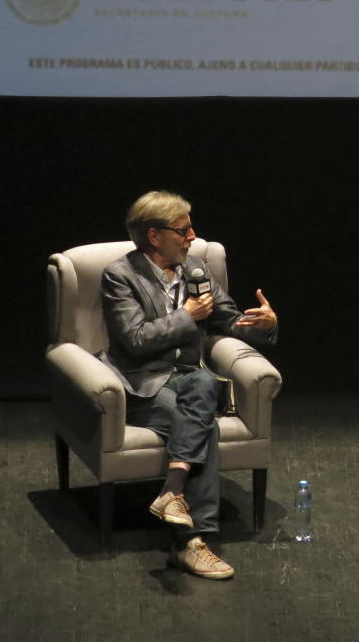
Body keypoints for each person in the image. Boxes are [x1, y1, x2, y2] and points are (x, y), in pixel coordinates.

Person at [99, 190, 277, 579]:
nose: (193, 236)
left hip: (186, 379)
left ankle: (172, 496)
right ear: (154, 235)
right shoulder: (120, 275)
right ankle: (192, 543)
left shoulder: (196, 268)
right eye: (183, 229)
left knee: (199, 382)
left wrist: (263, 325)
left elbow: (228, 320)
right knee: (204, 426)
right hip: (140, 383)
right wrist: (186, 315)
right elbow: (136, 339)